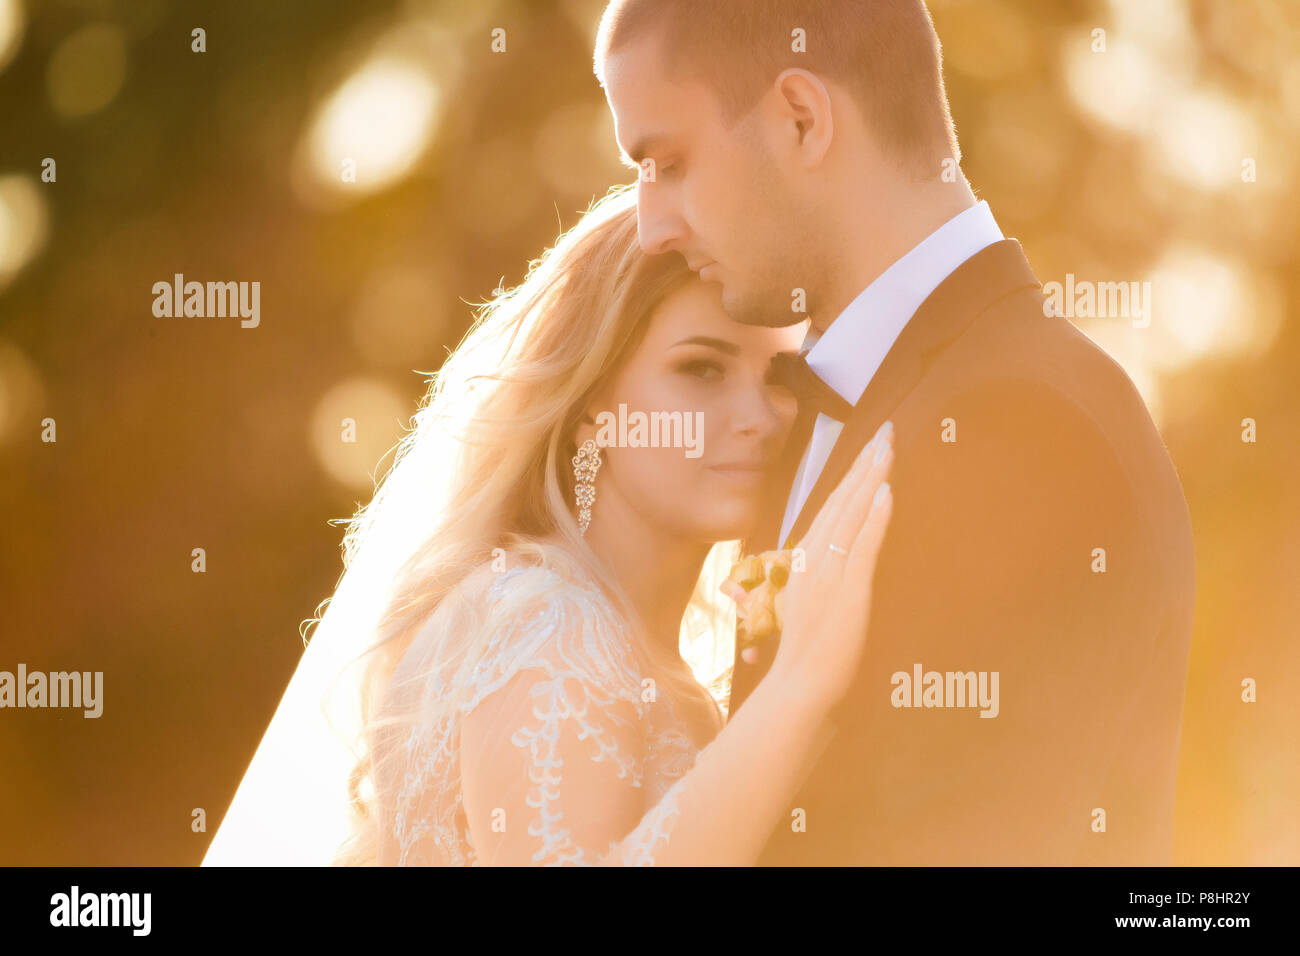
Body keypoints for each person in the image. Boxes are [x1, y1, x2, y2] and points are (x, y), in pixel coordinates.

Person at [595, 0, 1196, 863]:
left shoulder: (1026, 422)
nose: (652, 227)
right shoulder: (808, 410)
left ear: (801, 118)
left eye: (669, 162)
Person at [202, 184, 896, 866]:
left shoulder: (615, 643)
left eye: (780, 375)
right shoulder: (547, 620)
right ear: (595, 400)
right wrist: (800, 684)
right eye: (702, 370)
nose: (758, 415)